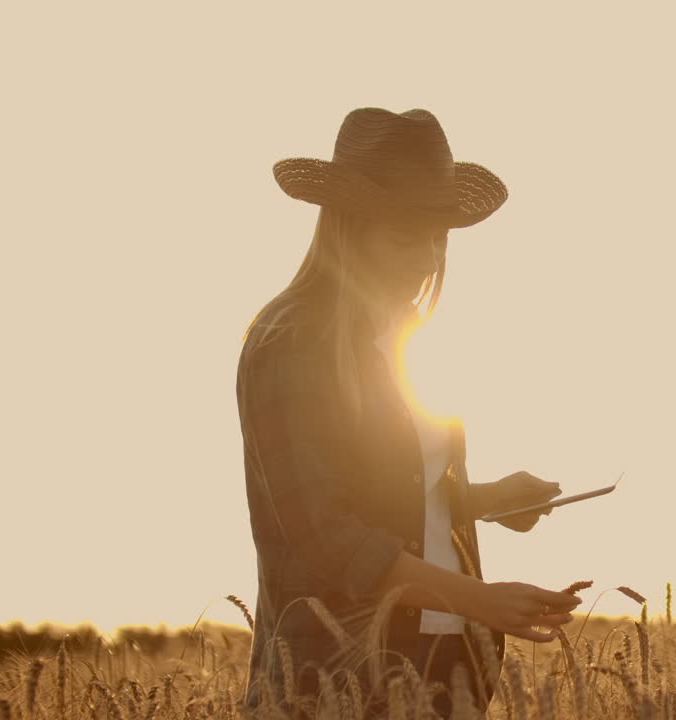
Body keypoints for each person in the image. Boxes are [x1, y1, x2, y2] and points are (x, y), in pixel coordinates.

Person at [235, 107, 583, 719]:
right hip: (334, 675)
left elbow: (385, 491)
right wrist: (479, 599)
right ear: (348, 229)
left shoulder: (400, 337)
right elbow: (322, 535)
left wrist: (482, 500)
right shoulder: (291, 341)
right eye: (406, 236)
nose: (427, 259)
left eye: (438, 237)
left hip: (443, 663)